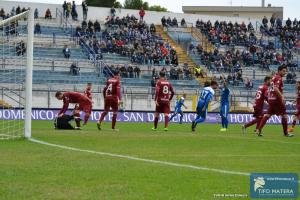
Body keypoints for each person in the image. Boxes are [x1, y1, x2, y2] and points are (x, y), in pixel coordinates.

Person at [257, 65, 294, 137]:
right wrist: (282, 96)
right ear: (279, 71)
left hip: (271, 99)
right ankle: (286, 133)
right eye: (283, 71)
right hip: (277, 100)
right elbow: (276, 88)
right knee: (284, 115)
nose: (285, 72)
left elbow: (270, 87)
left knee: (268, 115)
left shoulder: (273, 78)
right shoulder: (278, 78)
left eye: (286, 71)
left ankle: (259, 129)